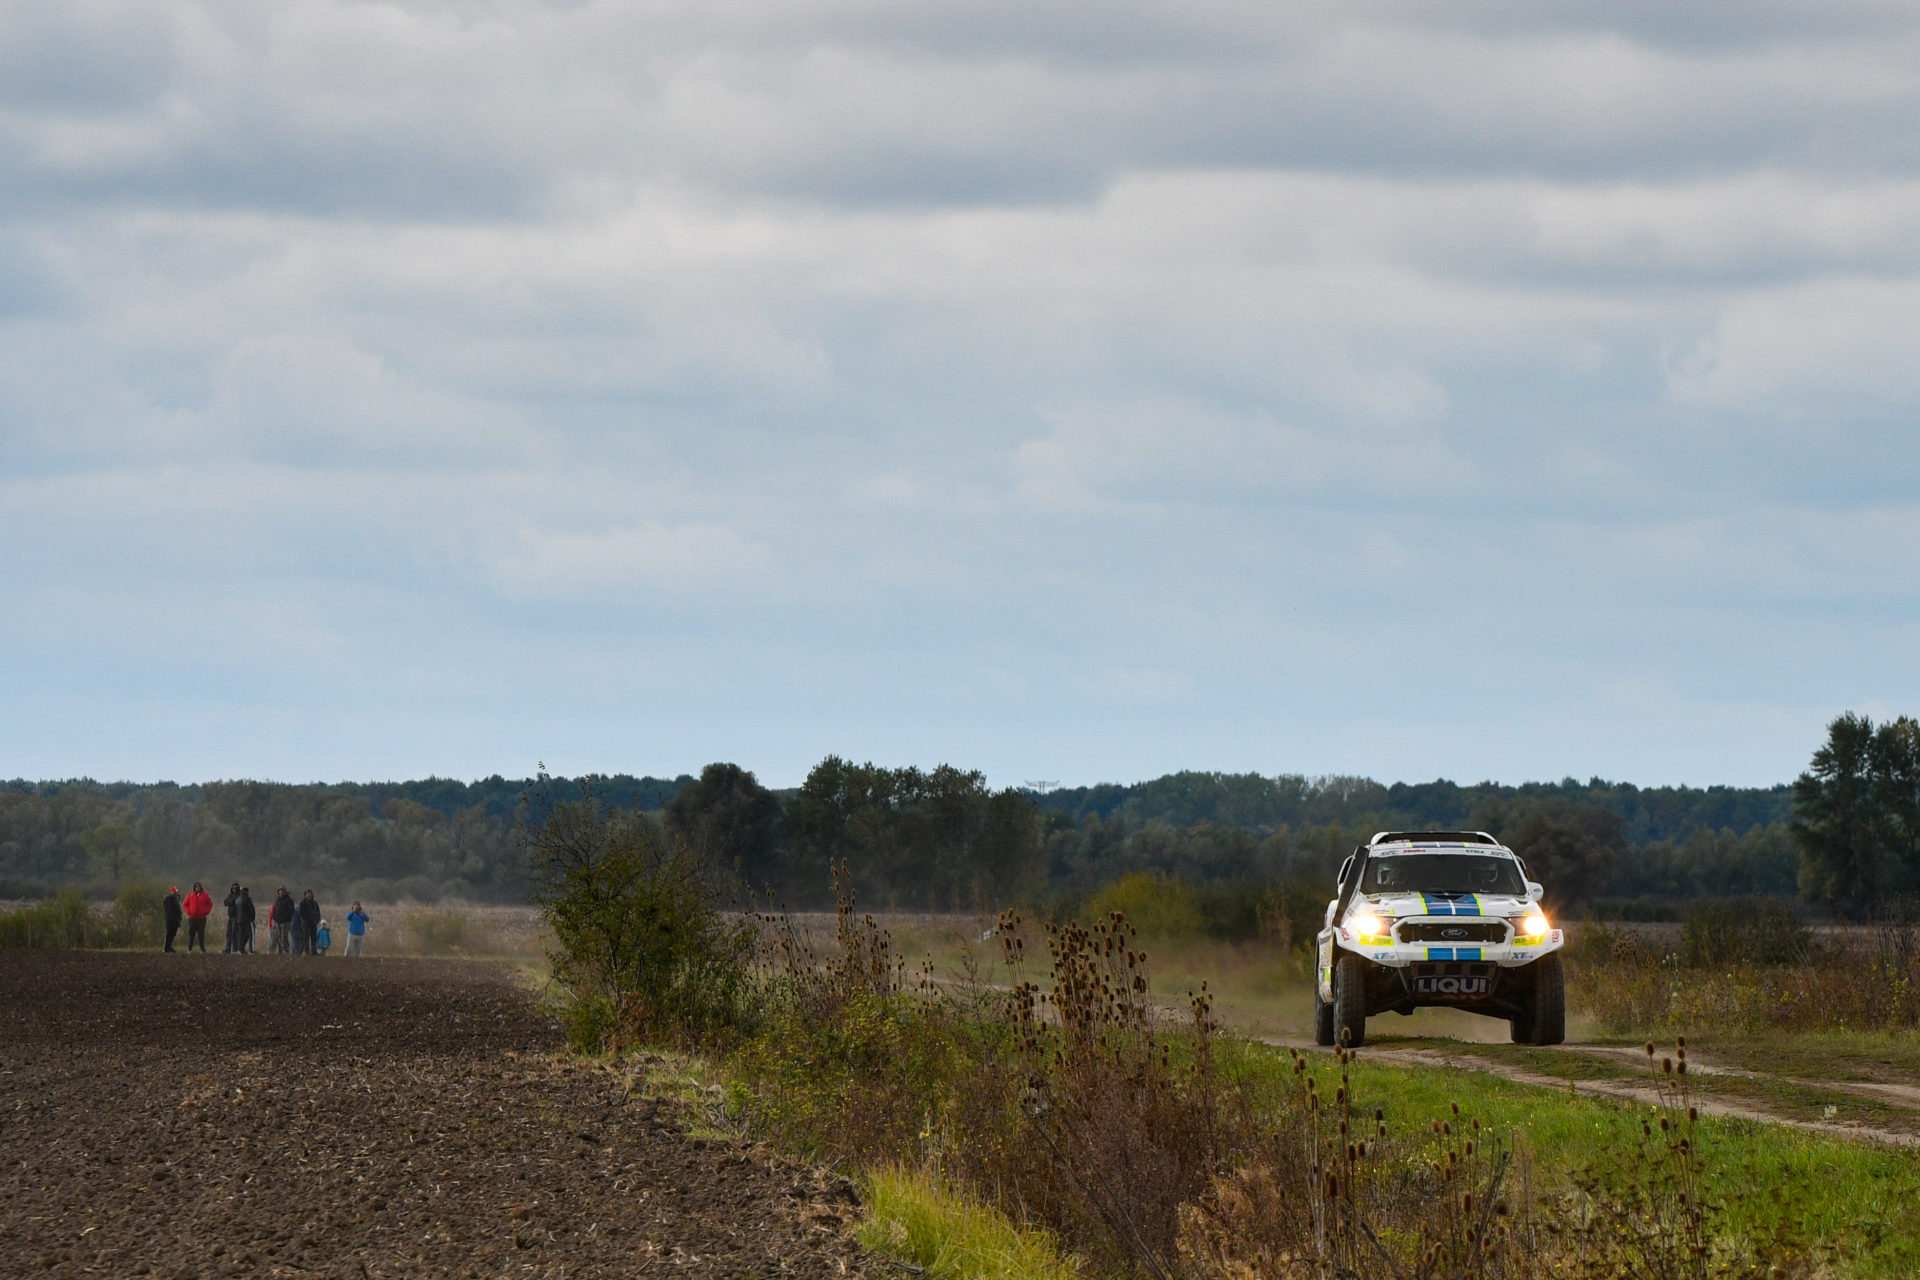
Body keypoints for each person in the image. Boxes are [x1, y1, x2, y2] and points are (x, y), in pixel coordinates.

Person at [182, 882, 214, 952]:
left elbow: (210, 904)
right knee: (191, 934)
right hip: (192, 918)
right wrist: (188, 912)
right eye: (196, 887)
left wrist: (206, 911)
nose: (197, 888)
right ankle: (189, 949)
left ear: (201, 887)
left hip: (201, 919)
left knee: (201, 934)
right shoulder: (190, 895)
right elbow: (185, 905)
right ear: (194, 888)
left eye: (199, 887)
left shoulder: (205, 895)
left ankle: (202, 949)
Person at [269, 888, 295, 954]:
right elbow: (274, 910)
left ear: (285, 892)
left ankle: (285, 950)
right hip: (277, 922)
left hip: (285, 922)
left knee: (284, 937)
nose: (281, 893)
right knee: (278, 936)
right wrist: (275, 918)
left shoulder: (289, 900)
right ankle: (280, 950)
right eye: (280, 892)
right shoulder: (277, 900)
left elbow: (291, 911)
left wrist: (285, 918)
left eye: (282, 892)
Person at [296, 890, 321, 958]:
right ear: (305, 895)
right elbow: (302, 913)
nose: (309, 895)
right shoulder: (302, 903)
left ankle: (314, 951)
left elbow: (318, 912)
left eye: (310, 894)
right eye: (307, 894)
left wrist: (317, 920)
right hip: (305, 924)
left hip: (314, 923)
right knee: (305, 938)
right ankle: (306, 951)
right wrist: (308, 921)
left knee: (314, 937)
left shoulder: (315, 903)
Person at [222, 883, 242, 954]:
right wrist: (231, 901)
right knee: (228, 934)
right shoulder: (230, 895)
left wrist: (231, 901)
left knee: (235, 933)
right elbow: (225, 903)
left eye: (235, 888)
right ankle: (227, 949)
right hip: (230, 917)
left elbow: (237, 903)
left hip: (236, 917)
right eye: (233, 888)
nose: (234, 889)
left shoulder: (239, 896)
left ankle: (235, 949)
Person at [162, 886, 183, 953]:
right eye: (174, 892)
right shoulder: (168, 899)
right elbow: (169, 911)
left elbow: (177, 910)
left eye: (176, 892)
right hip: (171, 920)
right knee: (169, 934)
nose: (175, 893)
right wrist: (172, 919)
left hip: (176, 920)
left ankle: (169, 947)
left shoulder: (175, 899)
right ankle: (166, 948)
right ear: (171, 892)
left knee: (173, 934)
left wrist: (178, 919)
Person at [238, 886, 257, 954]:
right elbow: (252, 910)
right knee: (251, 935)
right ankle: (252, 950)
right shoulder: (248, 899)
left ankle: (240, 949)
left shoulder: (237, 899)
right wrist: (252, 918)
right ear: (246, 891)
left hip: (239, 921)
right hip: (248, 920)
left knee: (241, 935)